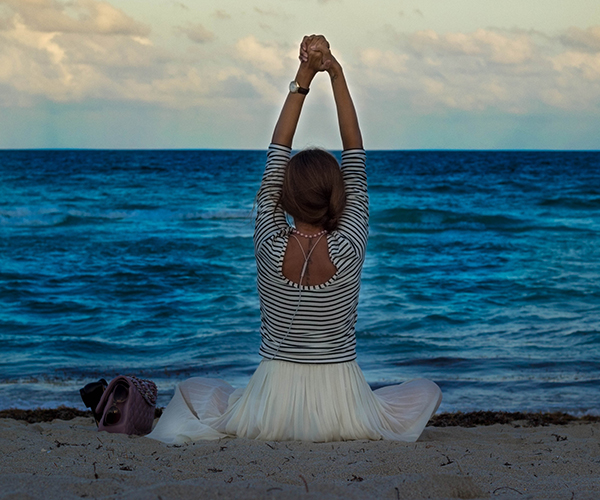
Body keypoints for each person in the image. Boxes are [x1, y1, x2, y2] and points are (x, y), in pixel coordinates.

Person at [147, 35, 442, 444]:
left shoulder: (269, 243)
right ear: (339, 196)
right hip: (344, 406)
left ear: (284, 195)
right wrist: (335, 73)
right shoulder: (350, 245)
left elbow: (276, 152)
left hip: (269, 403)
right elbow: (354, 153)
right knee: (427, 391)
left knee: (196, 390)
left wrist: (303, 78)